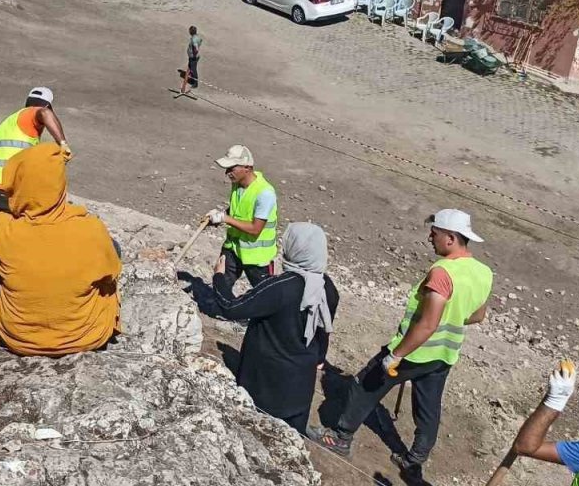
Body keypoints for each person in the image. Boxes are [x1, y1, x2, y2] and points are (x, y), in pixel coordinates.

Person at [308, 209, 493, 486]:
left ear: (451, 238)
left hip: (415, 352)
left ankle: (340, 438)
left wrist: (396, 354)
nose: (430, 238)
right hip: (444, 354)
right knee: (428, 407)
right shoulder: (483, 272)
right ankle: (414, 460)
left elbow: (428, 324)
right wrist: (452, 317)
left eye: (435, 233)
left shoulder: (443, 273)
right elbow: (478, 315)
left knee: (364, 385)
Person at [0, 143, 121, 356]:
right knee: (111, 252)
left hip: (19, 340)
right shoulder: (91, 229)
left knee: (3, 263)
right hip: (86, 338)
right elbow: (111, 275)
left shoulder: (4, 230)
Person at [210, 222, 339, 433]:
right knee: (291, 440)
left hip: (265, 382)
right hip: (301, 385)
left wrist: (218, 277)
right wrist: (320, 357)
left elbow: (231, 307)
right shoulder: (327, 288)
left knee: (254, 436)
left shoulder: (280, 287)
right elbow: (323, 330)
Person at [0, 87, 70, 213]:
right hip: (8, 188)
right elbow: (44, 113)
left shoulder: (10, 122)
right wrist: (63, 144)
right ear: (47, 106)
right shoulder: (33, 113)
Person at [206, 145, 278, 287]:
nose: (227, 173)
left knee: (265, 294)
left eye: (231, 168)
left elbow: (255, 229)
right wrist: (219, 216)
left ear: (247, 167)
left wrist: (225, 219)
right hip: (233, 248)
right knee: (220, 285)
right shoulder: (237, 184)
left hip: (257, 258)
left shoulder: (265, 193)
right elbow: (237, 210)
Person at [179, 26, 203, 94]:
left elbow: (196, 48)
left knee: (193, 70)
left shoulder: (193, 40)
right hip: (194, 57)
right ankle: (186, 83)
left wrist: (194, 54)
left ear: (191, 32)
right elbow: (201, 40)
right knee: (189, 69)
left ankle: (195, 83)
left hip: (193, 58)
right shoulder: (197, 37)